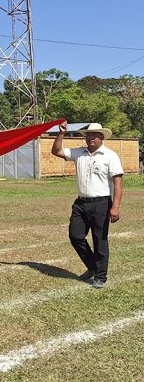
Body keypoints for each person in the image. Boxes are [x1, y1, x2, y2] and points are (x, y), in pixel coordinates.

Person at [51, 121, 124, 288]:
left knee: (100, 240)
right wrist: (61, 133)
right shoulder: (79, 153)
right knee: (75, 236)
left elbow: (118, 183)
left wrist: (115, 207)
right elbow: (56, 151)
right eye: (88, 135)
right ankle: (92, 266)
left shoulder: (110, 156)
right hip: (81, 203)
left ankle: (100, 277)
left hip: (101, 203)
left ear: (102, 137)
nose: (90, 138)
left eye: (94, 135)